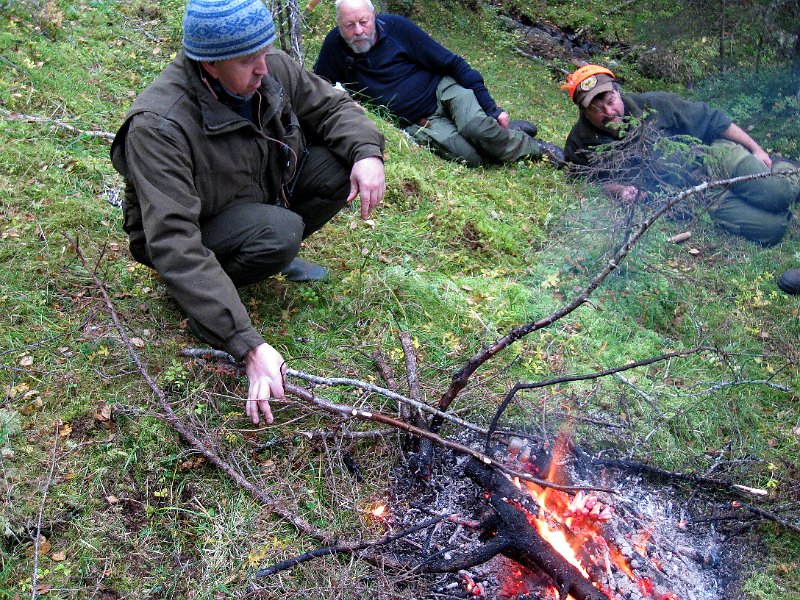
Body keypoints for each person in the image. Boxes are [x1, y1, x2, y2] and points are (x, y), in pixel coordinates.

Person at [110, 0, 386, 424]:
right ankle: (205, 298)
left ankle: (261, 250)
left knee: (338, 165)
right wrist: (246, 343)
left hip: (256, 192)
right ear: (209, 64)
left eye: (264, 53)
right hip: (196, 232)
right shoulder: (159, 125)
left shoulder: (265, 64)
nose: (263, 69)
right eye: (247, 61)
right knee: (279, 233)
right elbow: (173, 242)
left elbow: (332, 107)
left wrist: (367, 153)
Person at [561, 65, 800, 292]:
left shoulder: (656, 104)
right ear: (583, 111)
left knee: (777, 193)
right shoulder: (580, 142)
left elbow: (714, 119)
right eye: (596, 108)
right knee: (772, 229)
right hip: (695, 193)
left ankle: (786, 169)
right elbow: (588, 177)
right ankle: (749, 191)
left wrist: (757, 149)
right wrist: (619, 189)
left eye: (611, 101)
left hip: (714, 154)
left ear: (618, 93)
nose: (608, 112)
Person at [313, 0, 564, 167]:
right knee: (472, 158)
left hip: (443, 91)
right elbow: (319, 84)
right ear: (339, 24)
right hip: (420, 121)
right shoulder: (334, 46)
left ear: (373, 16)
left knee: (477, 128)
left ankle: (537, 149)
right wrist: (344, 101)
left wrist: (492, 109)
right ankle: (505, 135)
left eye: (363, 22)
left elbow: (453, 63)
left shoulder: (398, 28)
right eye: (349, 25)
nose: (358, 30)